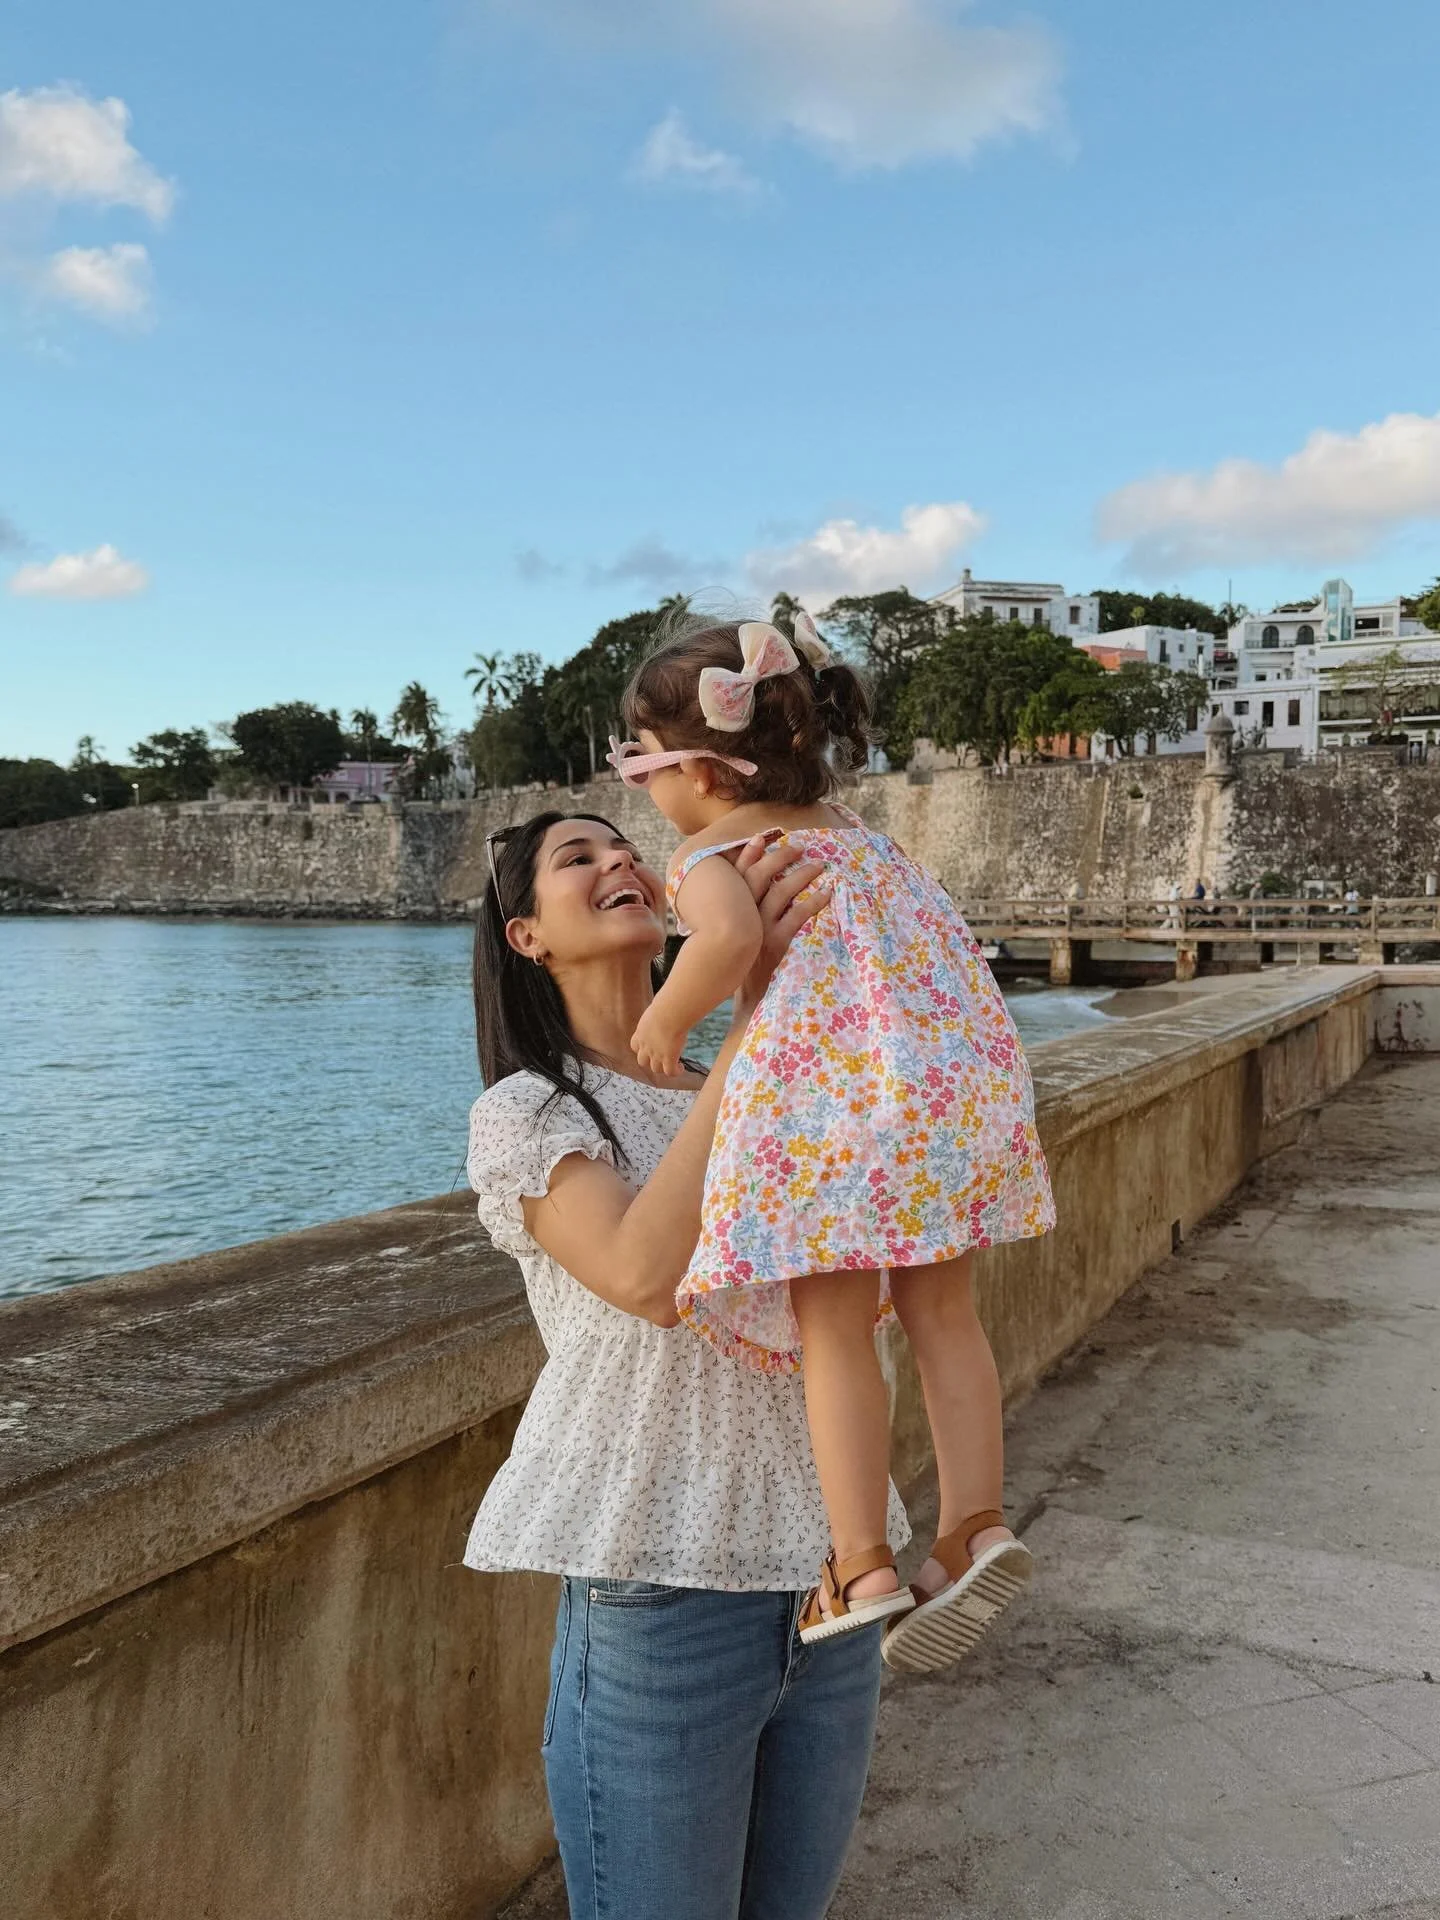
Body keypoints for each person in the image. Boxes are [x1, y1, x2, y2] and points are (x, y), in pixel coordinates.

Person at [466, 809, 902, 1920]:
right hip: (660, 1592)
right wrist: (758, 1023)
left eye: (624, 847)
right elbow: (643, 1275)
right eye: (577, 858)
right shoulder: (528, 1111)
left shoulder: (748, 1081)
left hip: (826, 1575)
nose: (618, 859)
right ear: (527, 937)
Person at [610, 610, 1054, 1673]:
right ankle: (975, 1523)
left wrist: (664, 1021)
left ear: (703, 771)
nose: (644, 791)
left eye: (642, 767)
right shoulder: (862, 835)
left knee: (837, 1331)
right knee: (945, 1313)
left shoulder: (712, 850)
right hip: (951, 1095)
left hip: (831, 1121)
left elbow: (729, 937)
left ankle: (862, 1563)